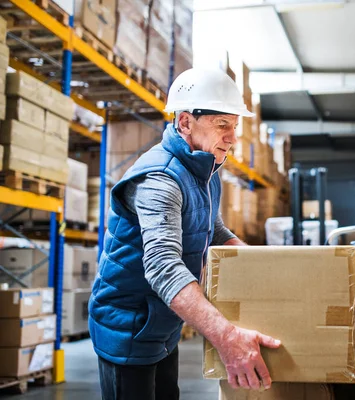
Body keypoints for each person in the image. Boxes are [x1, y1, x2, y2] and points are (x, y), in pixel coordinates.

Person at [88, 68, 280, 400]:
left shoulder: (206, 169)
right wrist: (226, 337)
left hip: (162, 323)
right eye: (222, 125)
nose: (232, 137)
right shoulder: (159, 179)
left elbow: (213, 229)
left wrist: (262, 269)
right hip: (128, 327)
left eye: (235, 126)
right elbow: (163, 266)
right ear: (186, 123)